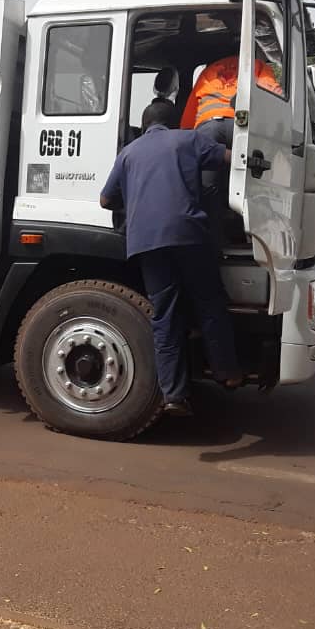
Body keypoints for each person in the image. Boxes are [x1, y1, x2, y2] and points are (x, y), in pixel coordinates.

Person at [99, 99, 242, 416]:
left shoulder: (128, 153)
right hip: (188, 234)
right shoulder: (189, 139)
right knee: (209, 302)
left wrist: (135, 201)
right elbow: (231, 158)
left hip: (146, 242)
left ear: (144, 125)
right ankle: (227, 372)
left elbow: (105, 199)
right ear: (176, 121)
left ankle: (174, 395)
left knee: (165, 316)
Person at [180, 54, 282, 145]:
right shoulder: (257, 65)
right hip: (240, 123)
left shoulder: (207, 72)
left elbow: (188, 119)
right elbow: (272, 91)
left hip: (208, 126)